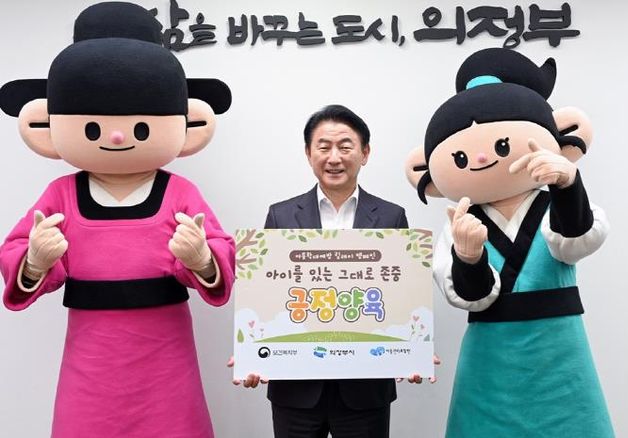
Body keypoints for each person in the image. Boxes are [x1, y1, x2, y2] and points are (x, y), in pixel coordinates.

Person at [0, 3, 234, 437]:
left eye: (141, 128)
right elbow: (16, 249)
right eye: (92, 128)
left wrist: (202, 259)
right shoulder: (62, 194)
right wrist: (34, 261)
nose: (118, 136)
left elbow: (220, 248)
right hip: (91, 358)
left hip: (166, 358)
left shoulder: (179, 192)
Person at [406, 48, 614, 437]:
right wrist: (468, 256)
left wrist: (568, 185)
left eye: (502, 145)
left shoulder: (555, 203)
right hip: (490, 358)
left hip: (559, 355)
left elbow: (577, 240)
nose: (481, 157)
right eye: (462, 156)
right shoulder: (461, 221)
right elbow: (469, 297)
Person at [230, 104, 435, 438]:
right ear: (308, 153)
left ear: (365, 153)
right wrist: (252, 351)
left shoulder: (391, 216)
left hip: (365, 389)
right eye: (324, 147)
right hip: (295, 388)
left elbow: (402, 295)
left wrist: (414, 348)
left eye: (345, 146)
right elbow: (267, 294)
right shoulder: (281, 215)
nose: (334, 157)